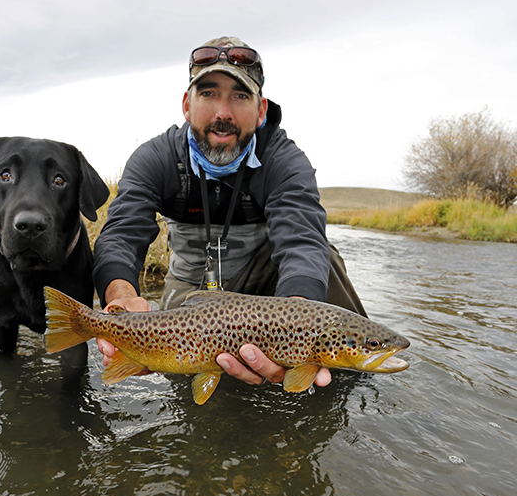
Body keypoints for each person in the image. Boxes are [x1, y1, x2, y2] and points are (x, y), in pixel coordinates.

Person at [93, 36, 367, 390]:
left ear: (261, 109)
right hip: (190, 295)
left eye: (240, 96)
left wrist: (298, 329)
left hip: (263, 298)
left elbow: (302, 243)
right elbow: (121, 234)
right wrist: (120, 297)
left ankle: (343, 384)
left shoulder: (285, 162)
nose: (223, 113)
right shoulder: (155, 159)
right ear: (186, 105)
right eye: (208, 93)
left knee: (325, 261)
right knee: (184, 389)